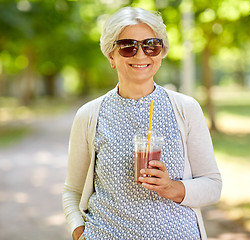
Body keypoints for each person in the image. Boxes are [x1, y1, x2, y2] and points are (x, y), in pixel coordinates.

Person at [62, 7, 222, 240]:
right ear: (111, 56)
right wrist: (79, 232)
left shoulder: (186, 109)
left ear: (161, 52)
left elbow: (213, 185)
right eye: (128, 46)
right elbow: (72, 191)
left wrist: (171, 187)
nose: (140, 55)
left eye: (151, 45)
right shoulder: (89, 115)